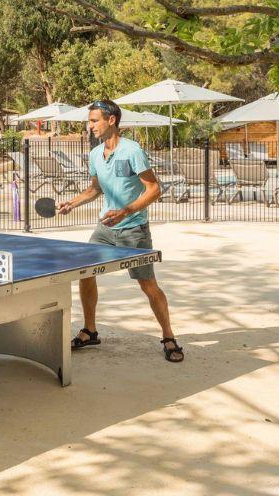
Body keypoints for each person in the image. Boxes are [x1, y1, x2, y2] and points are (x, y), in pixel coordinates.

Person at [57, 99, 184, 363]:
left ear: (111, 120)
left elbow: (154, 189)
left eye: (94, 121)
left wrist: (126, 211)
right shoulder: (94, 154)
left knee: (148, 284)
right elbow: (95, 189)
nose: (89, 126)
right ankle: (90, 330)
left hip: (132, 229)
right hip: (105, 228)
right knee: (85, 272)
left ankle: (169, 336)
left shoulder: (132, 150)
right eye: (89, 121)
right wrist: (72, 202)